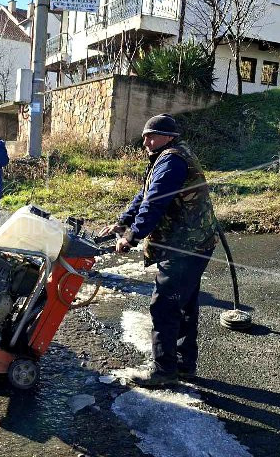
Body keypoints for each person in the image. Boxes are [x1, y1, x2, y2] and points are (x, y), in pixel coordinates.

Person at [99, 114, 218, 387]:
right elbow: (144, 195)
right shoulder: (166, 157)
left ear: (168, 137)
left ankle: (164, 370)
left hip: (185, 246)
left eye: (150, 136)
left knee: (164, 305)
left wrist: (131, 237)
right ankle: (183, 364)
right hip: (193, 242)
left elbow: (154, 202)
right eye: (144, 137)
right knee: (184, 304)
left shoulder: (172, 161)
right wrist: (123, 222)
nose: (145, 142)